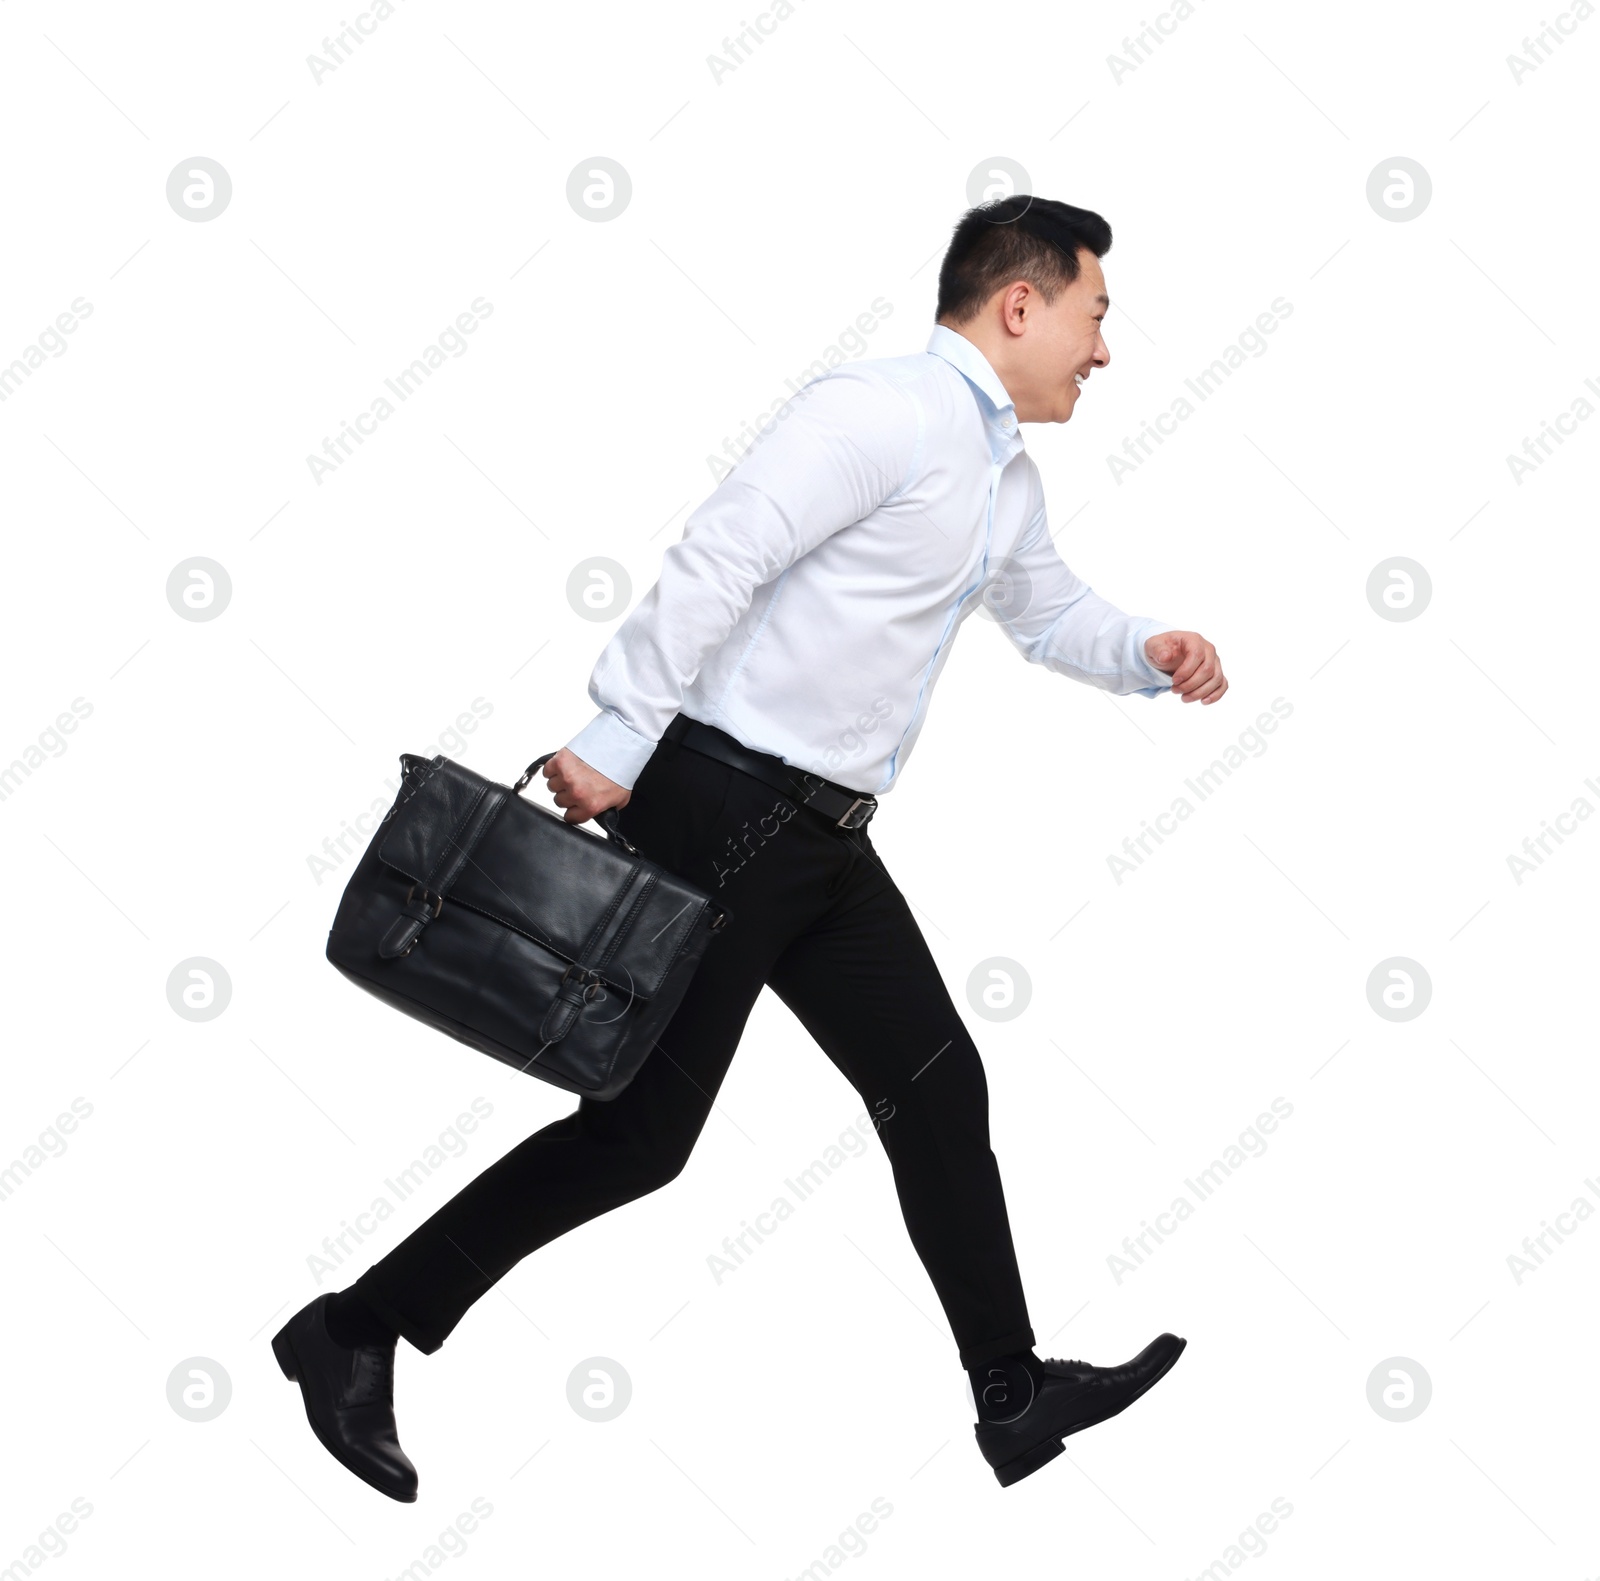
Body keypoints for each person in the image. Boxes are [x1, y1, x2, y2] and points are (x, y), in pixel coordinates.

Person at [272, 194, 1228, 1500]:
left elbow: (1047, 607)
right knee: (640, 1137)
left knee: (937, 1086)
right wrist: (615, 727)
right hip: (721, 806)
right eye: (1095, 313)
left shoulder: (1003, 475)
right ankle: (352, 1326)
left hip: (823, 843)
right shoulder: (878, 411)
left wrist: (1146, 650)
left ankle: (1011, 1391)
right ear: (1022, 304)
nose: (1104, 348)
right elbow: (725, 554)